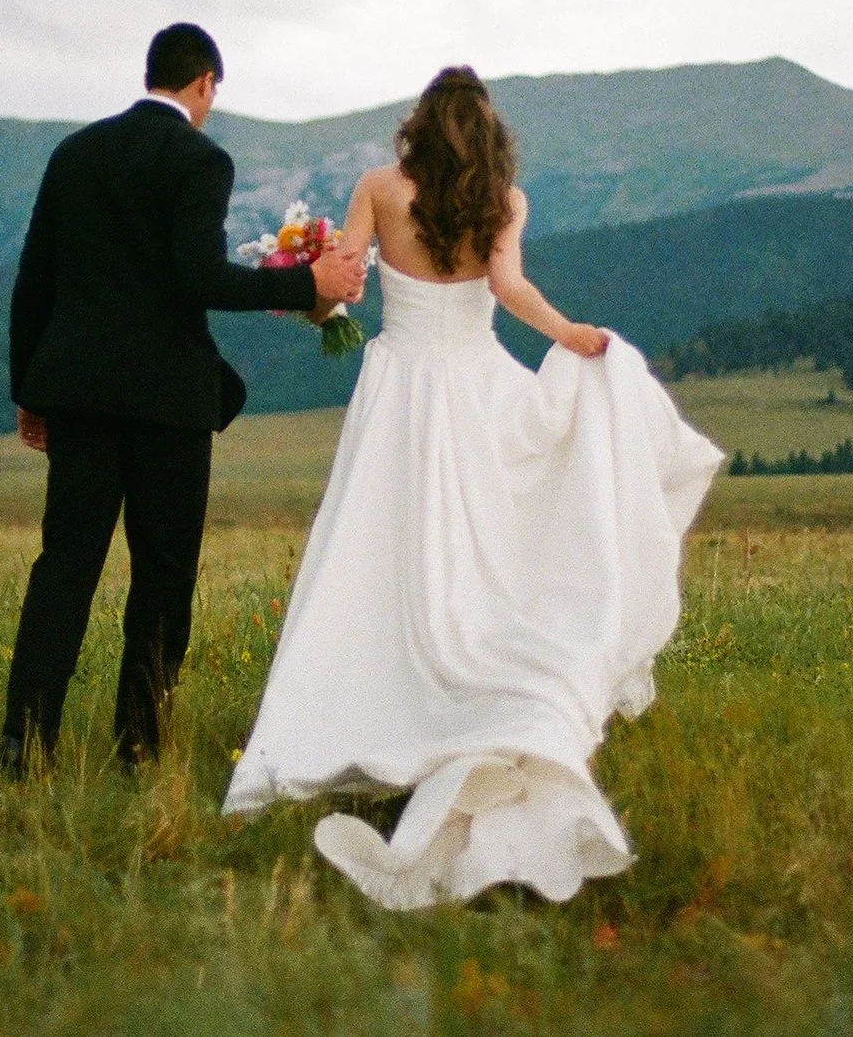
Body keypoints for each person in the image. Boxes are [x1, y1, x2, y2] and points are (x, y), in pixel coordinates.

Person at [224, 66, 722, 909]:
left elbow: (337, 290)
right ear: (488, 133)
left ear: (418, 123)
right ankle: (476, 689)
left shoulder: (380, 188)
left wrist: (304, 289)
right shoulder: (505, 200)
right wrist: (570, 335)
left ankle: (370, 711)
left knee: (378, 552)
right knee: (485, 550)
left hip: (400, 389)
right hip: (477, 381)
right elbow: (508, 289)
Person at [0, 23, 368, 775]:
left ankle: (22, 744)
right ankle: (137, 749)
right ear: (204, 84)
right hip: (167, 401)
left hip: (77, 392)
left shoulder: (75, 153)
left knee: (64, 566)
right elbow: (197, 278)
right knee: (163, 575)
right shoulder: (199, 158)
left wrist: (29, 391)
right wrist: (308, 285)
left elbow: (34, 280)